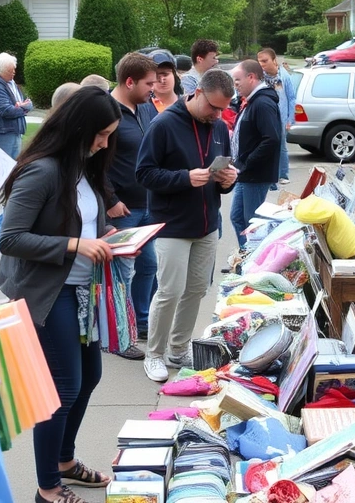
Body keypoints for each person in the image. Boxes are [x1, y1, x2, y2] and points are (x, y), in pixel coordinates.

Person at [0, 87, 124, 503]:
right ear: (79, 129)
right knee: (62, 389)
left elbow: (82, 221)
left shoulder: (81, 167)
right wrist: (75, 245)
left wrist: (103, 235)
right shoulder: (43, 170)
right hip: (49, 295)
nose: (105, 143)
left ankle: (65, 462)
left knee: (90, 377)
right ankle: (47, 486)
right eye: (101, 135)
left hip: (80, 289)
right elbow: (11, 238)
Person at [136, 69, 238, 382]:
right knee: (169, 291)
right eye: (213, 107)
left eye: (223, 109)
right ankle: (154, 354)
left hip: (207, 224)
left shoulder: (219, 127)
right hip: (172, 225)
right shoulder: (164, 124)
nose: (218, 114)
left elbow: (223, 169)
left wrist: (228, 181)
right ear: (197, 94)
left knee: (196, 289)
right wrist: (184, 178)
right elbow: (144, 174)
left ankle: (177, 349)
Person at [106, 52, 158, 354]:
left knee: (149, 264)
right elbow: (95, 162)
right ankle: (119, 335)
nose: (154, 88)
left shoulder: (146, 108)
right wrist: (110, 199)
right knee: (122, 272)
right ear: (129, 81)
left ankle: (140, 321)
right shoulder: (107, 112)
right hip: (122, 209)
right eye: (148, 83)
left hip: (148, 205)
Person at [229, 60, 281, 248]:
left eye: (237, 81)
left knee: (252, 223)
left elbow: (271, 139)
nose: (235, 86)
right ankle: (246, 257)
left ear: (251, 77)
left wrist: (248, 162)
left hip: (256, 174)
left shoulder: (263, 103)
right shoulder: (252, 101)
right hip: (245, 173)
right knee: (237, 217)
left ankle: (254, 264)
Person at [257, 48, 297, 186]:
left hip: (281, 117)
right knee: (266, 146)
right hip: (266, 116)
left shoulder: (284, 76)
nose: (262, 64)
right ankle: (269, 178)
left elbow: (292, 98)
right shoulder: (260, 76)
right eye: (259, 61)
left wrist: (289, 119)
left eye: (265, 61)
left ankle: (283, 175)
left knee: (281, 146)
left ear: (274, 60)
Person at [0, 52, 32, 159]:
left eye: (14, 69)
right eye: (10, 70)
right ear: (1, 71)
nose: (14, 72)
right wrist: (23, 108)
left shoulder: (11, 83)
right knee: (0, 168)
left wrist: (22, 106)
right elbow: (6, 110)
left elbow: (28, 102)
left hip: (14, 131)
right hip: (1, 133)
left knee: (13, 168)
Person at [142, 50, 180, 120]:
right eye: (157, 75)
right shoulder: (142, 109)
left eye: (165, 74)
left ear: (175, 75)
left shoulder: (188, 105)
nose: (162, 80)